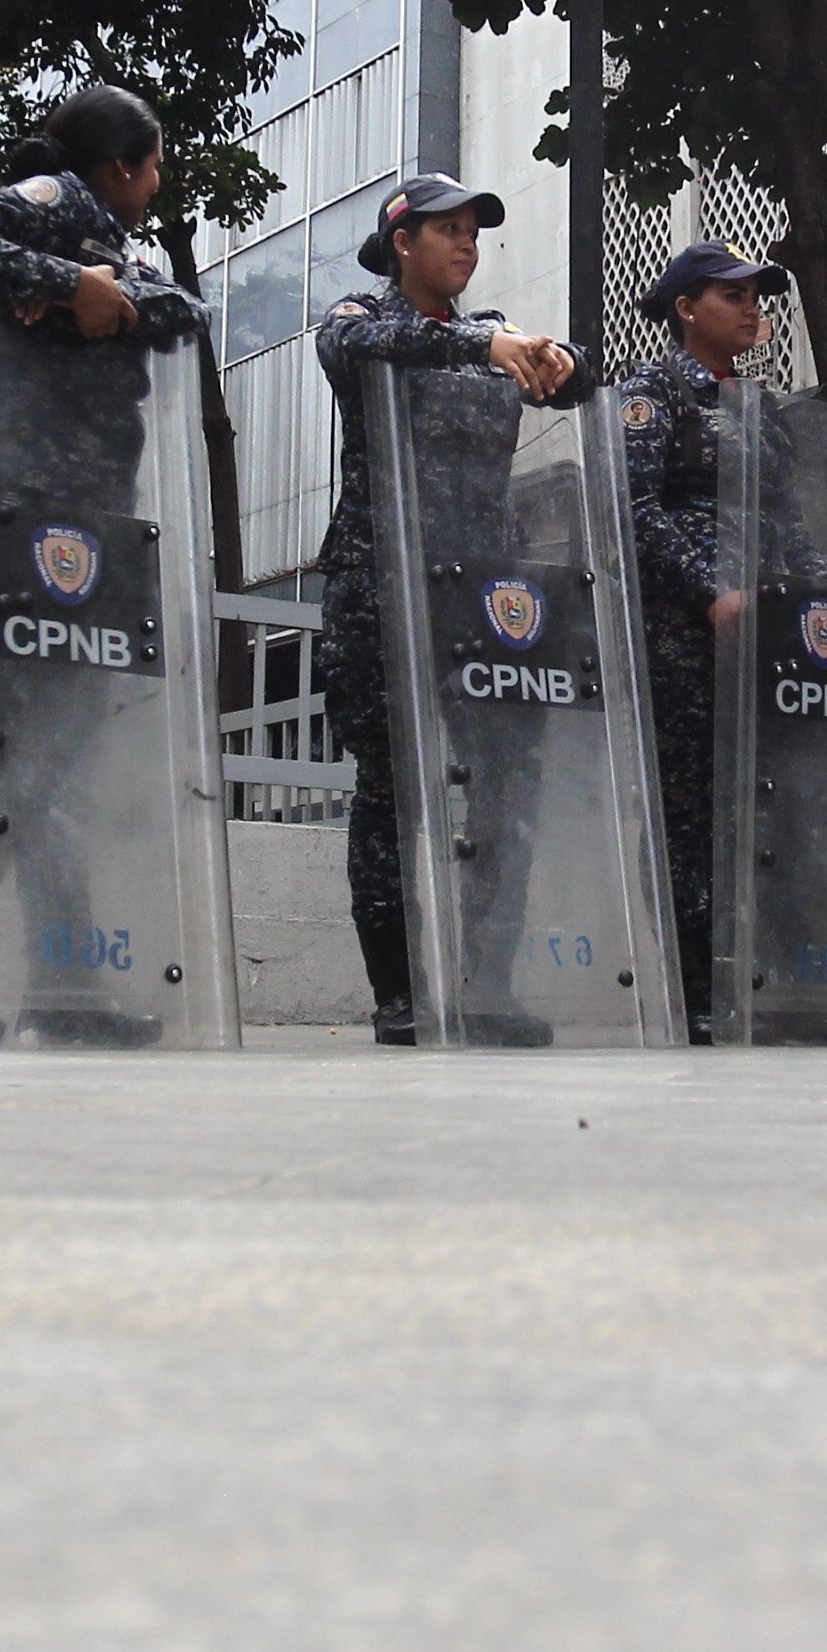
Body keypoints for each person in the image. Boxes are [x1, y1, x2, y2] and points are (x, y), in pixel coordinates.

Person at [0, 84, 206, 1047]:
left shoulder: (123, 252)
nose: (157, 186)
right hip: (18, 523)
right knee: (6, 762)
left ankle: (66, 988)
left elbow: (180, 313)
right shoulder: (50, 201)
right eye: (152, 166)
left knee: (52, 772)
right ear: (118, 167)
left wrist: (105, 293)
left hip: (95, 532)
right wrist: (62, 283)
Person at [313, 173, 581, 1045]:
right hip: (381, 586)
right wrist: (481, 347)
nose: (468, 245)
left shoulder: (491, 332)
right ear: (403, 242)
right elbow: (354, 348)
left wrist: (562, 360)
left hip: (485, 600)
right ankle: (400, 993)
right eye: (450, 231)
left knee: (508, 787)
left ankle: (487, 986)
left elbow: (578, 375)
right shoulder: (361, 316)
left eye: (475, 231)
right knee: (390, 786)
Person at [618, 240, 790, 1037]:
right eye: (733, 294)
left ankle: (756, 981)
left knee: (754, 812)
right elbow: (637, 507)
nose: (752, 306)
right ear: (687, 308)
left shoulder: (759, 407)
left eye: (757, 294)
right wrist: (709, 591)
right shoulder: (655, 391)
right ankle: (687, 993)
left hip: (763, 636)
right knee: (687, 817)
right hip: (682, 636)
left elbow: (786, 522)